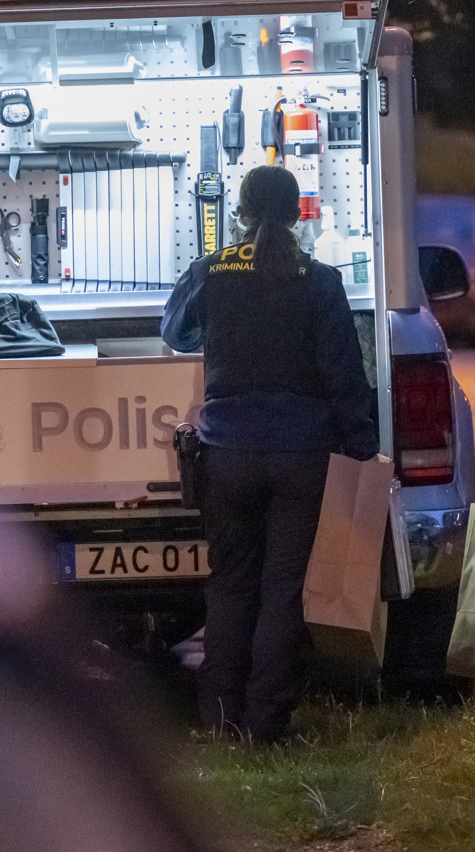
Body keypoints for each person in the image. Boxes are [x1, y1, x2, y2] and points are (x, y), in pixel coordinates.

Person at [161, 166, 378, 744]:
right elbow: (342, 372)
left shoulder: (212, 269)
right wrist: (362, 445)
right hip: (301, 454)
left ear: (240, 210)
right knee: (283, 590)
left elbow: (177, 333)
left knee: (231, 584)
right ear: (297, 213)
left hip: (227, 452)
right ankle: (268, 722)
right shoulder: (320, 277)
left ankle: (221, 717)